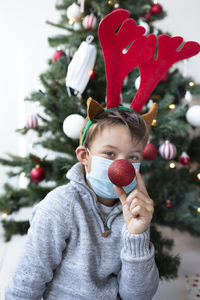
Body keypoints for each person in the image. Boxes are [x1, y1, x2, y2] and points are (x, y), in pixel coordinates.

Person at [5, 107, 159, 300]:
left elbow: (138, 296)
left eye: (133, 157)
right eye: (110, 153)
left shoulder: (135, 211)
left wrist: (137, 235)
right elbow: (26, 284)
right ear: (84, 156)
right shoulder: (59, 206)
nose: (121, 166)